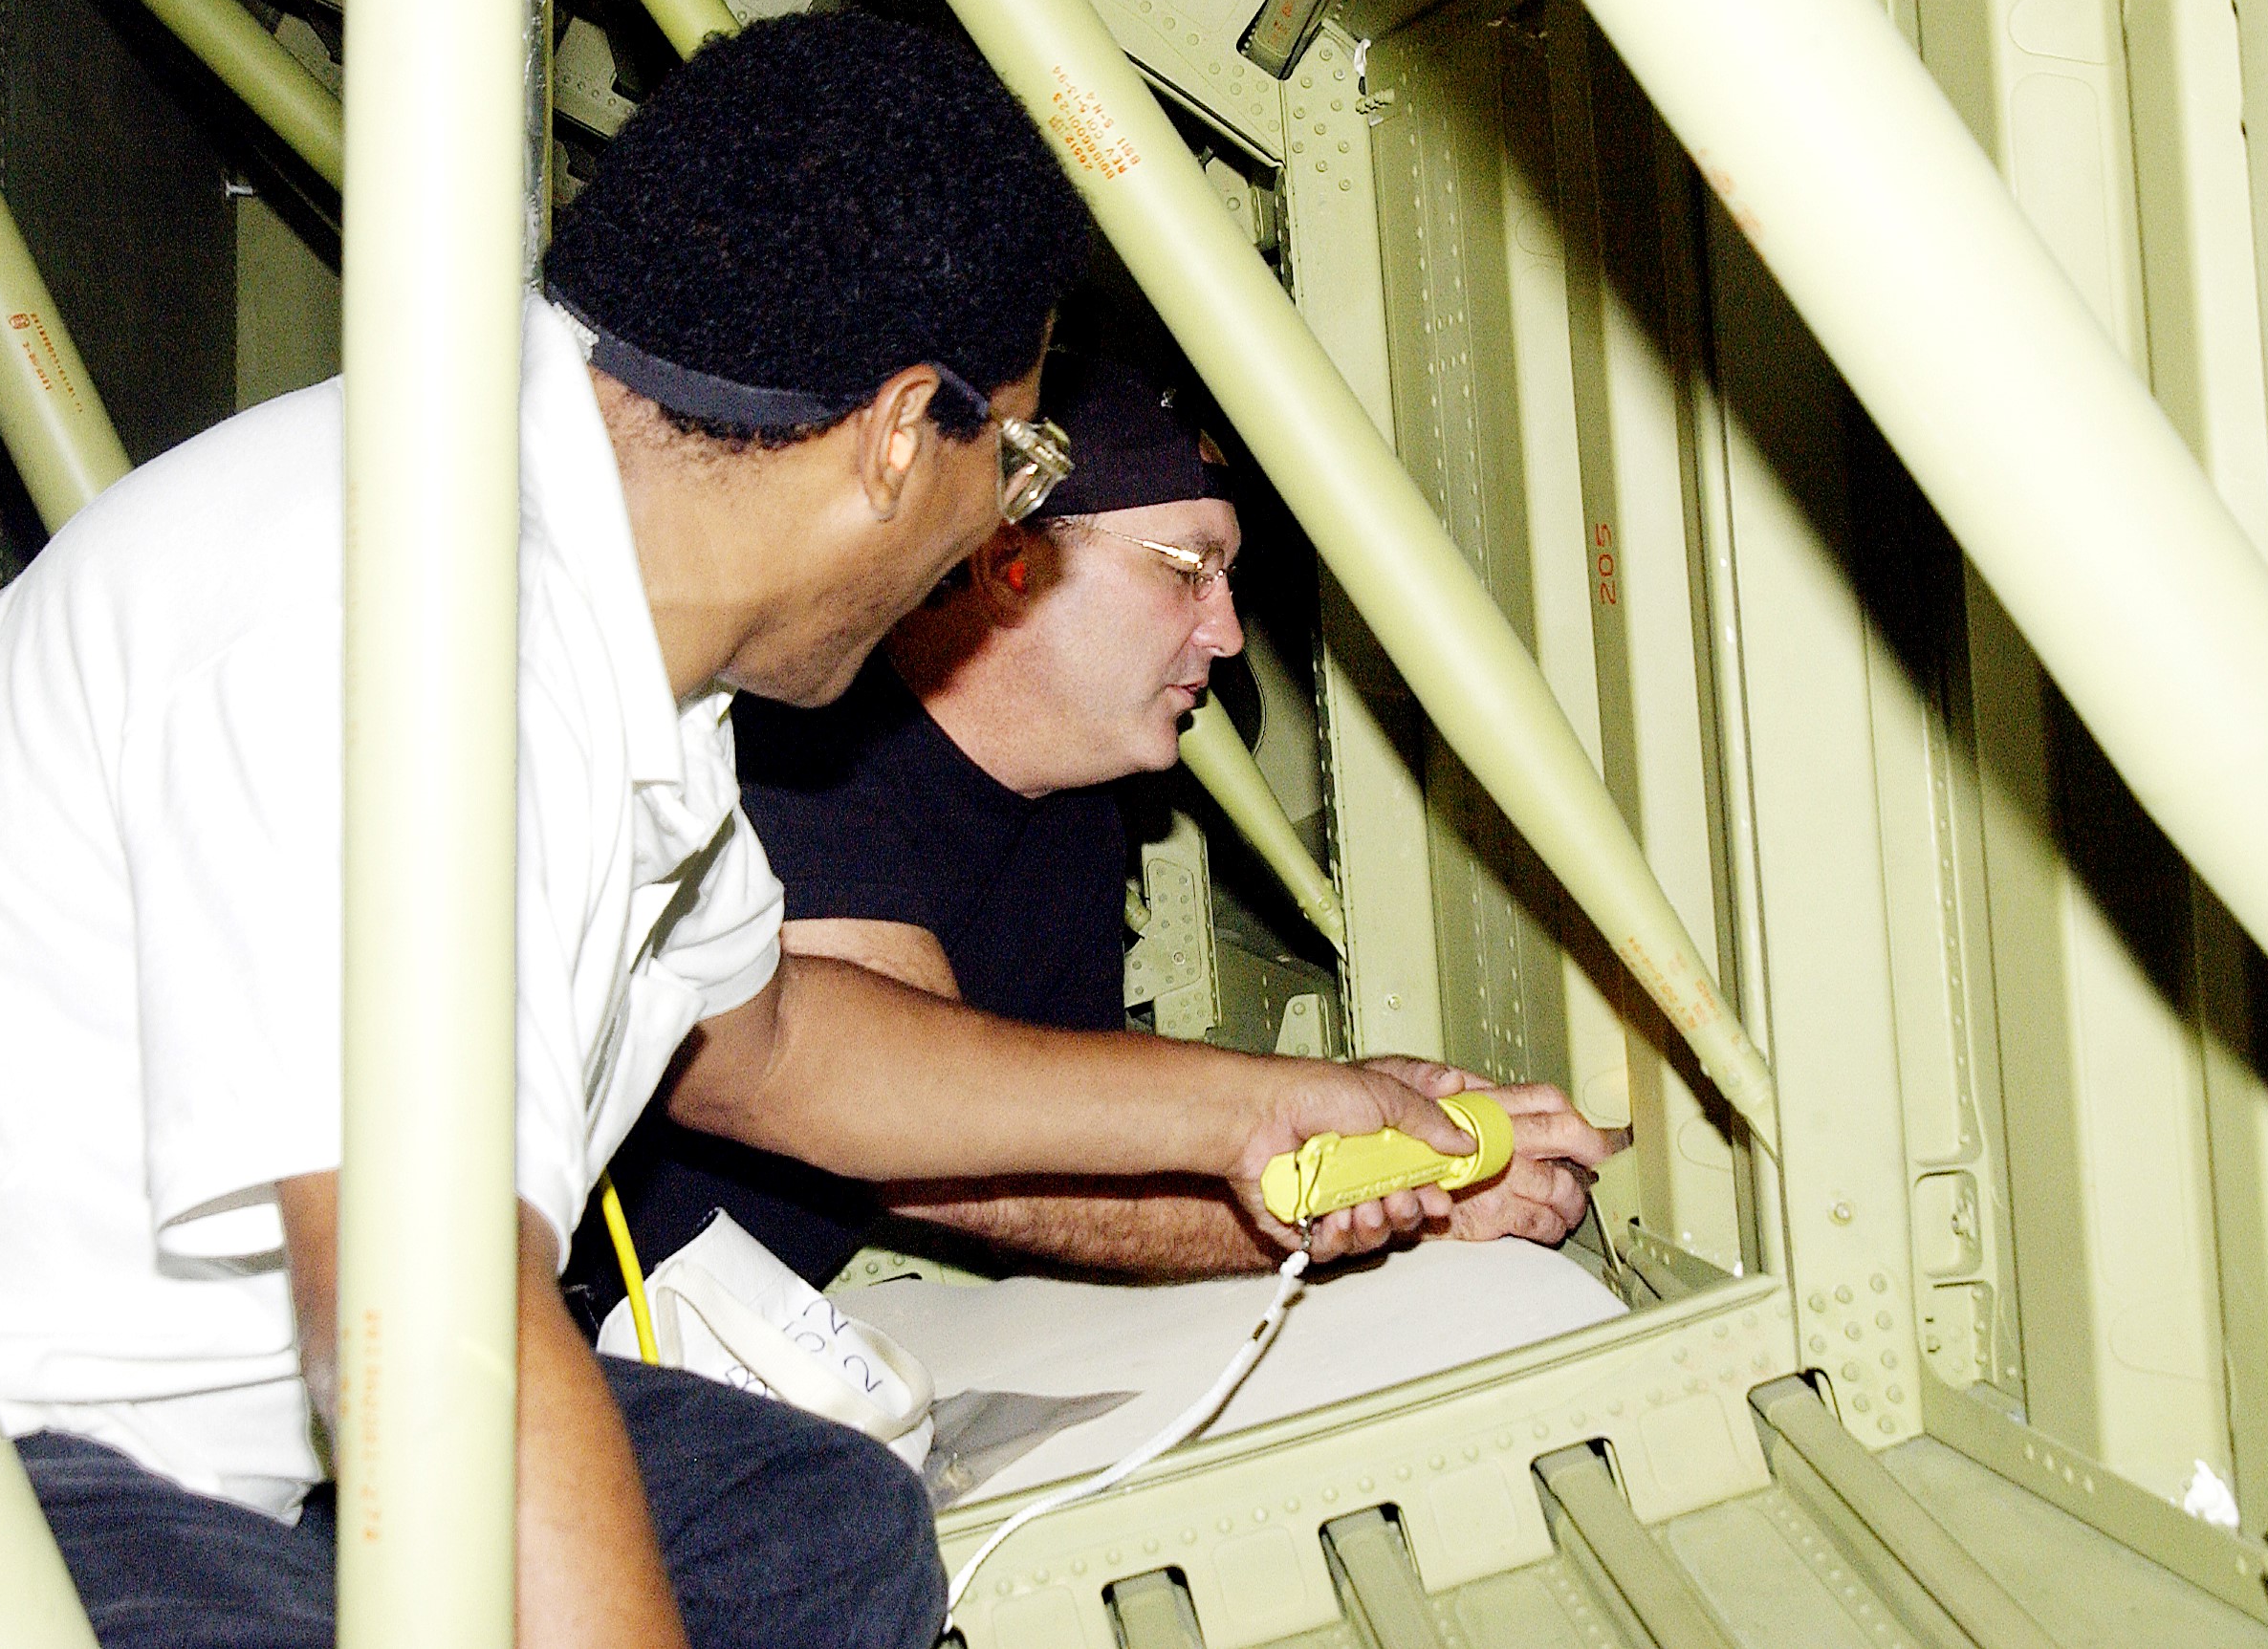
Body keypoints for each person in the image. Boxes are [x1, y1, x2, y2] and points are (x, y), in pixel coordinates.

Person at [0, 11, 1478, 1649]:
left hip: (239, 1399)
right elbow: (431, 1333)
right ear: (902, 433)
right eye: (1017, 463)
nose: (997, 531)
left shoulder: (606, 608)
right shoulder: (391, 617)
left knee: (815, 1531)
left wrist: (1256, 1110)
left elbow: (774, 1048)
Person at [569, 354, 1627, 1318]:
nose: (1226, 631)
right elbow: (934, 1148)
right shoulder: (801, 755)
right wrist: (1367, 1182)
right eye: (1186, 569)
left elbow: (1076, 1124)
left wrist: (1373, 1137)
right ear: (1009, 561)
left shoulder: (1079, 809)